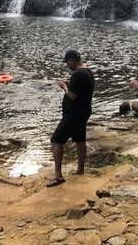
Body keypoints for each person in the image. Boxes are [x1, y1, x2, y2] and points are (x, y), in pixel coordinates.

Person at [48, 49, 95, 188]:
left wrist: (64, 87)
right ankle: (80, 170)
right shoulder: (88, 71)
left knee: (56, 140)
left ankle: (58, 176)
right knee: (80, 139)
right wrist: (70, 83)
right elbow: (82, 89)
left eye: (67, 62)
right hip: (84, 111)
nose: (67, 65)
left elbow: (72, 95)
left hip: (74, 113)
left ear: (72, 60)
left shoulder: (77, 74)